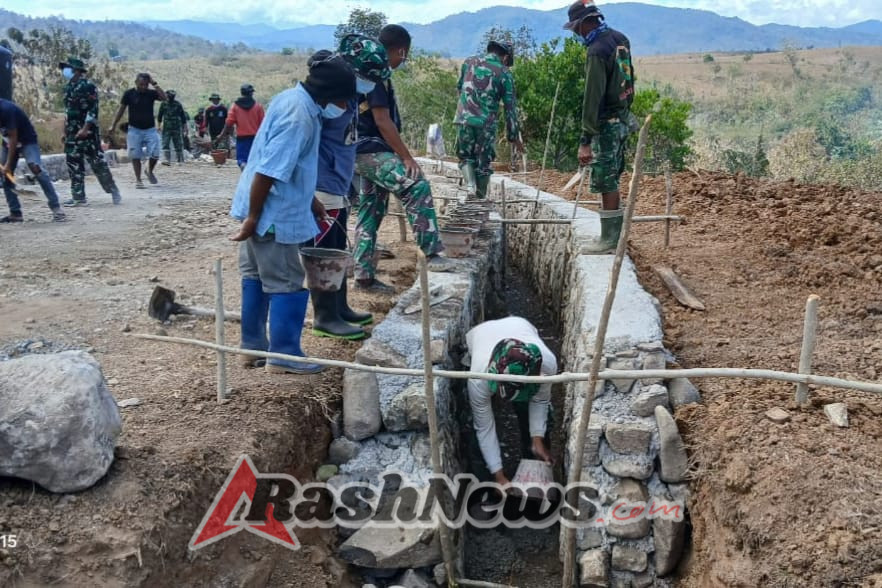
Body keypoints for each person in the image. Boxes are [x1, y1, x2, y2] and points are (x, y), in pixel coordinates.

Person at [230, 55, 356, 374]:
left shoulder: (290, 99)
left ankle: (252, 347)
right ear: (331, 94)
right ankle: (285, 355)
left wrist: (310, 201)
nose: (345, 106)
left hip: (263, 207)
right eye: (344, 99)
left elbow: (289, 166)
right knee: (286, 282)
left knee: (255, 277)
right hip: (274, 215)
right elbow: (269, 171)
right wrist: (254, 218)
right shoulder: (300, 118)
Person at [353, 24, 452, 292]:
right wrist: (407, 157)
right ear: (400, 51)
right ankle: (431, 254)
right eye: (404, 55)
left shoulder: (365, 69)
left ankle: (363, 276)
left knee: (371, 210)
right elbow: (382, 121)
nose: (403, 60)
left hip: (360, 150)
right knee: (416, 185)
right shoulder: (376, 73)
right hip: (371, 151)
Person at [304, 37, 391, 340]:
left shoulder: (350, 98)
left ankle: (339, 307)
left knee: (338, 248)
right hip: (322, 183)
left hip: (338, 182)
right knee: (323, 253)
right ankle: (325, 316)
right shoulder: (328, 100)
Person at [565, 0, 636, 252]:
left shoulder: (596, 51)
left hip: (607, 122)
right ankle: (614, 236)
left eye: (576, 28)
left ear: (585, 23)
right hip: (623, 116)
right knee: (613, 175)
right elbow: (629, 78)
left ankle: (609, 240)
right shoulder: (620, 39)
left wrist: (585, 140)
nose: (576, 33)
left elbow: (592, 97)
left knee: (605, 179)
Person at [465, 316, 557, 485]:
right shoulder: (478, 378)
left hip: (519, 324)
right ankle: (488, 485)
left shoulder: (546, 364)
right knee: (476, 434)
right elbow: (484, 427)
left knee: (526, 410)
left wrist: (537, 439)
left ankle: (532, 460)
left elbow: (540, 401)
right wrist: (498, 475)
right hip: (481, 334)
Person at [454, 40, 524, 199]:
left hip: (463, 119)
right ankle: (480, 198)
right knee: (483, 164)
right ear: (505, 57)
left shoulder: (469, 62)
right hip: (486, 124)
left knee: (465, 157)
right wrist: (513, 136)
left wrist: (465, 110)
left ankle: (470, 187)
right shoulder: (504, 74)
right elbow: (510, 108)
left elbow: (459, 88)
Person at [58, 57, 122, 207]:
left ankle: (113, 190)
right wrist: (64, 131)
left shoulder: (88, 86)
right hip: (72, 132)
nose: (64, 71)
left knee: (97, 163)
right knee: (73, 163)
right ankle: (78, 197)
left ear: (76, 70)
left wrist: (85, 128)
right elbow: (67, 112)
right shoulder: (68, 88)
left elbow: (93, 109)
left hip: (88, 133)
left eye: (67, 68)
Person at [0, 98, 65, 222]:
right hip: (7, 142)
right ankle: (15, 213)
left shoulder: (6, 109)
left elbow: (14, 137)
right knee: (5, 175)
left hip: (26, 140)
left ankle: (56, 207)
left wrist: (8, 164)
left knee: (36, 168)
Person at [110, 73, 167, 188]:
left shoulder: (151, 93)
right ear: (136, 82)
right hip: (134, 129)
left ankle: (149, 170)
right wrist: (113, 125)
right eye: (141, 84)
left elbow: (164, 98)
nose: (143, 87)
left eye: (146, 84)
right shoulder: (129, 94)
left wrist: (154, 83)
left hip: (150, 129)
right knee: (135, 155)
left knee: (155, 153)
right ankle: (138, 180)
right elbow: (121, 110)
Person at [217, 84, 265, 169]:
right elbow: (264, 125)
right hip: (256, 138)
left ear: (241, 93)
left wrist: (221, 136)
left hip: (242, 139)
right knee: (255, 160)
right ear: (251, 93)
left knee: (242, 160)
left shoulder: (235, 107)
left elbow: (229, 123)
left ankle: (244, 167)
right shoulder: (258, 106)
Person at [157, 89, 188, 165]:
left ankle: (180, 160)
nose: (171, 96)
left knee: (178, 144)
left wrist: (185, 128)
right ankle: (166, 160)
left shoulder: (178, 104)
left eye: (172, 95)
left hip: (176, 127)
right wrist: (159, 125)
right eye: (170, 95)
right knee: (165, 143)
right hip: (166, 128)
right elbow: (160, 116)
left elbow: (183, 117)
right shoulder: (163, 104)